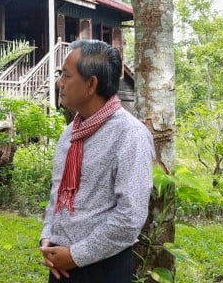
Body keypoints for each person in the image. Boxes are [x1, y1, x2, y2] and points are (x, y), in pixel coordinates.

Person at [39, 39, 154, 283]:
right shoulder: (70, 132)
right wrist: (48, 236)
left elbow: (130, 216)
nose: (60, 83)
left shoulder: (130, 135)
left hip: (102, 269)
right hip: (59, 262)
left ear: (91, 84)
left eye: (67, 76)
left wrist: (75, 255)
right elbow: (58, 193)